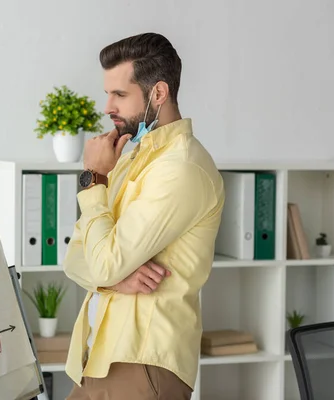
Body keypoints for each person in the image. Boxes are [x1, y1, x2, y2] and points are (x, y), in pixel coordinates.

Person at [62, 32, 225, 399]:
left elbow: (101, 262)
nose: (107, 106)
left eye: (119, 94)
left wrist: (93, 180)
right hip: (97, 359)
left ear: (159, 93)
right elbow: (74, 258)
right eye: (108, 93)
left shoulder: (180, 168)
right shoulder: (132, 158)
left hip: (142, 366)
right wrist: (112, 280)